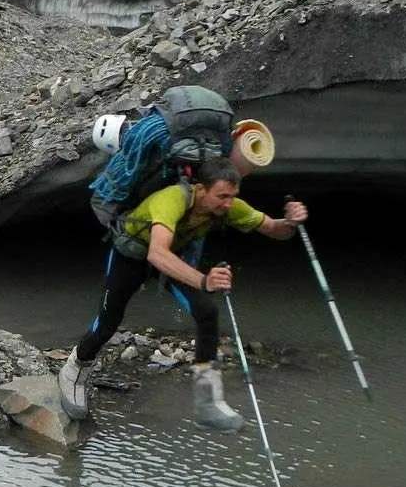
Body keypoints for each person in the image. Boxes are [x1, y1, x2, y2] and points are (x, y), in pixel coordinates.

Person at [59, 156, 308, 431]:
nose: (227, 203)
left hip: (171, 258)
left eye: (232, 197)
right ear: (201, 189)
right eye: (222, 196)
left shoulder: (227, 207)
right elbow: (156, 253)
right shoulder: (172, 199)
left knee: (207, 311)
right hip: (131, 255)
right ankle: (75, 369)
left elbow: (274, 230)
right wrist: (203, 280)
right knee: (107, 324)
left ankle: (207, 402)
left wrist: (290, 222)